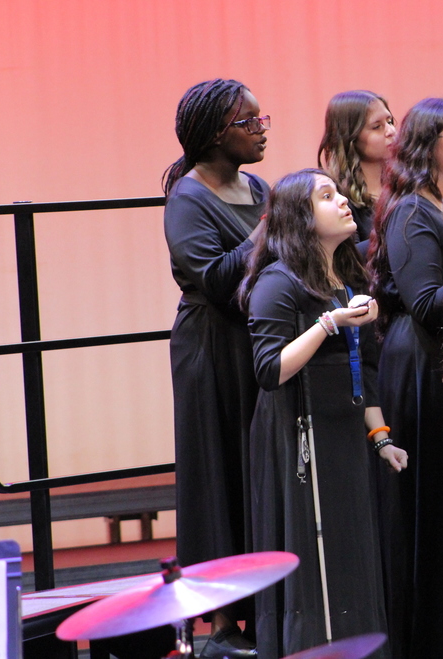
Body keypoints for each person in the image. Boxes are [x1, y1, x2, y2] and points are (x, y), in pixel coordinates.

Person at [238, 169, 407, 659]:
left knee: (351, 556)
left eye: (339, 192)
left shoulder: (348, 279)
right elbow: (270, 370)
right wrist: (327, 323)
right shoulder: (277, 282)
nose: (343, 202)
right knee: (313, 564)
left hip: (344, 440)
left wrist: (380, 437)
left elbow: (363, 372)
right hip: (298, 440)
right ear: (299, 218)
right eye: (326, 196)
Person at [162, 78, 270, 659]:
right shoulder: (187, 197)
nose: (260, 130)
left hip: (257, 343)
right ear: (213, 134)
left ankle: (267, 605)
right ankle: (223, 622)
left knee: (256, 467)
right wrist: (273, 224)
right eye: (247, 122)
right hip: (211, 349)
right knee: (218, 471)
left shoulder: (258, 187)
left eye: (261, 119)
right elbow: (220, 279)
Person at [367, 97, 443, 658]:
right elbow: (427, 303)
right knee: (430, 508)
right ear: (430, 145)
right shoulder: (413, 210)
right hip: (422, 368)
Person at [317, 90, 397, 246]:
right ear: (350, 138)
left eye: (390, 122)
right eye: (377, 127)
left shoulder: (405, 185)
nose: (391, 131)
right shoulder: (337, 199)